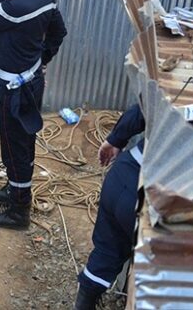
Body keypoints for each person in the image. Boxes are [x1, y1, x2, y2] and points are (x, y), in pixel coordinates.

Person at [0, 0, 67, 230]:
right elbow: (58, 32)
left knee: (15, 144)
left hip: (14, 88)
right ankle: (14, 189)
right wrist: (42, 58)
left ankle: (19, 210)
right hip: (29, 80)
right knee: (16, 141)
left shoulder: (12, 7)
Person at [75, 105, 144, 310]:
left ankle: (83, 302)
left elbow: (142, 110)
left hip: (122, 173)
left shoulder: (177, 96)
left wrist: (115, 140)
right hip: (141, 195)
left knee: (108, 248)